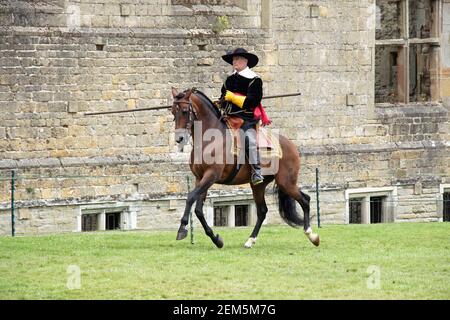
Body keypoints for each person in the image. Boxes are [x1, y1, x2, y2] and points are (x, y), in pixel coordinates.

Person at [220, 48, 266, 185]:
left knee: (249, 139)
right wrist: (220, 103)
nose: (235, 61)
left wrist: (233, 98)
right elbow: (223, 97)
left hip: (246, 118)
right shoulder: (229, 79)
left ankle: (256, 171)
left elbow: (253, 101)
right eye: (233, 59)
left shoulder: (255, 80)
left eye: (238, 59)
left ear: (245, 61)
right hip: (228, 117)